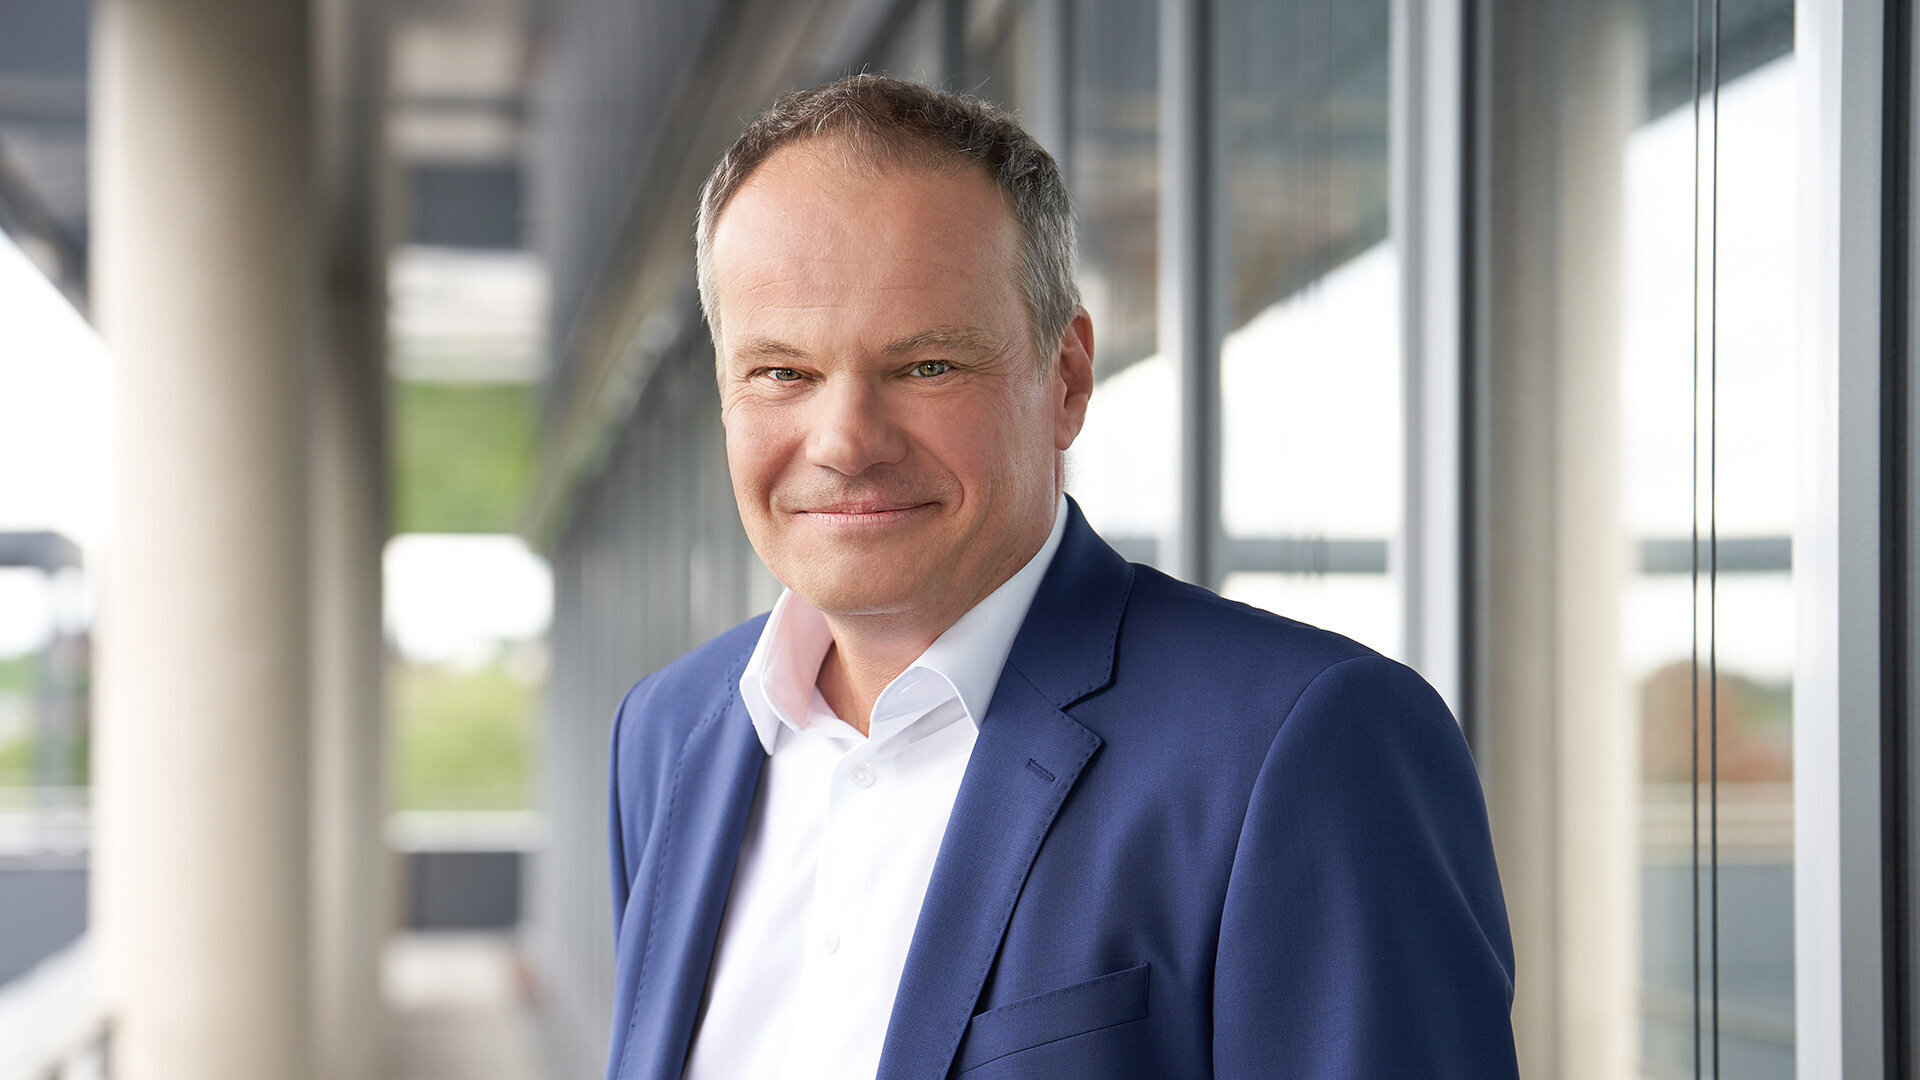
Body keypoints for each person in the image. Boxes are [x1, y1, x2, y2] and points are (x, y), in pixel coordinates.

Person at [605, 74, 1518, 1080]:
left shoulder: (1305, 746)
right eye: (782, 372)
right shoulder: (668, 735)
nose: (845, 443)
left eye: (926, 367)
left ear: (1067, 380)